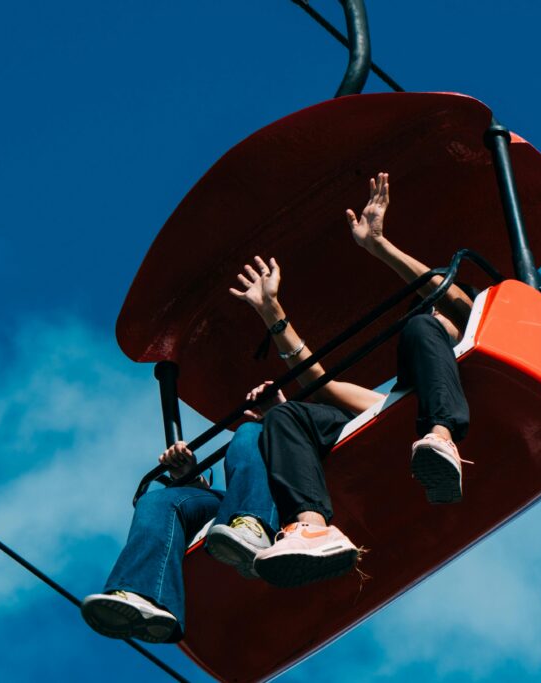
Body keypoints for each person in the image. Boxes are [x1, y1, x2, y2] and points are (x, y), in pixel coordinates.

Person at [232, 172, 475, 588]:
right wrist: (271, 313)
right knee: (286, 415)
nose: (437, 316)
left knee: (418, 326)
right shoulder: (393, 401)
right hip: (402, 427)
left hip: (445, 417)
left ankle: (441, 438)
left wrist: (379, 245)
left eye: (442, 315)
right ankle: (312, 527)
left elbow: (457, 307)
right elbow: (324, 386)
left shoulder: (469, 337)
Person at [80, 383, 282, 644]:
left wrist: (282, 417)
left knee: (248, 432)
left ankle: (257, 526)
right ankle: (145, 594)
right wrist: (189, 477)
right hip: (237, 499)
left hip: (285, 483)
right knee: (156, 501)